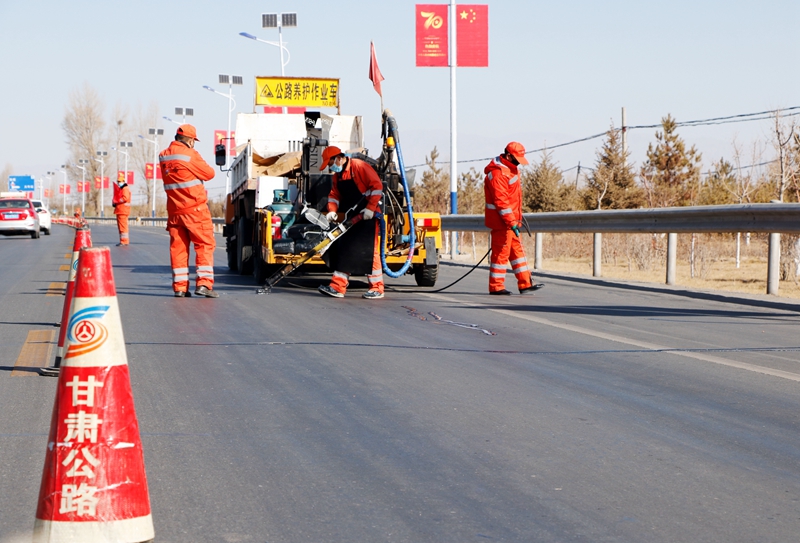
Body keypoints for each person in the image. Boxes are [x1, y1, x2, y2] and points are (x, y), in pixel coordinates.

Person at [158, 124, 218, 298]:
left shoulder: (163, 156)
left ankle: (180, 287)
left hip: (175, 210)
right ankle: (204, 284)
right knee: (204, 244)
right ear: (191, 141)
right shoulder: (190, 154)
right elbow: (209, 173)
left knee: (178, 248)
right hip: (195, 209)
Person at [317, 145, 385, 299]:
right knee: (345, 248)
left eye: (331, 163)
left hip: (368, 215)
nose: (331, 167)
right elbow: (334, 194)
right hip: (352, 216)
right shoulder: (338, 175)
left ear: (339, 158)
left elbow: (377, 187)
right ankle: (337, 287)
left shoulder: (359, 167)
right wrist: (332, 210)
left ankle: (377, 288)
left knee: (370, 251)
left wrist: (370, 208)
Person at [483, 142, 544, 295]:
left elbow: (512, 198)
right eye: (516, 158)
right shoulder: (498, 174)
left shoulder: (511, 169)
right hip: (501, 222)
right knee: (501, 253)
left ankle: (525, 283)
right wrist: (511, 221)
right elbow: (501, 201)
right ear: (508, 155)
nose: (518, 162)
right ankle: (496, 286)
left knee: (516, 251)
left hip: (511, 221)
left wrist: (515, 220)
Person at [112, 178, 131, 246]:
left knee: (123, 227)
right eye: (118, 182)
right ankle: (123, 241)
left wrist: (116, 200)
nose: (118, 183)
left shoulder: (125, 189)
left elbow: (125, 198)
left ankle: (124, 241)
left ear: (123, 181)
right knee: (121, 226)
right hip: (120, 210)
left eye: (120, 182)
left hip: (123, 210)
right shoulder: (122, 189)